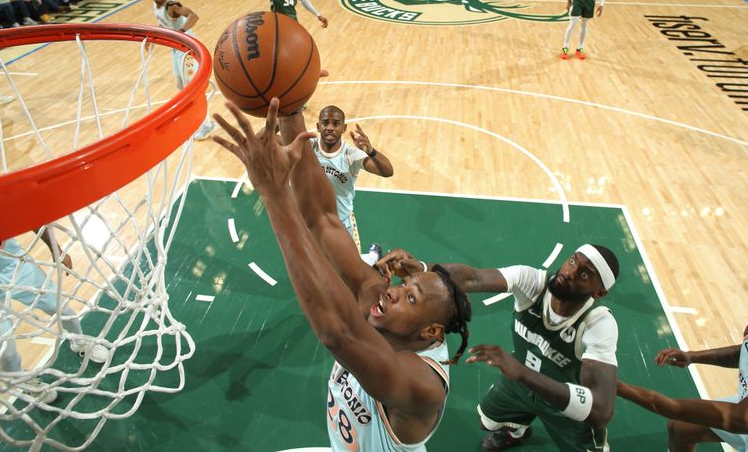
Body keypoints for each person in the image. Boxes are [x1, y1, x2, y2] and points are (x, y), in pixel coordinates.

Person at [211, 98, 472, 451]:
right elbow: (322, 217)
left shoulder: (422, 384)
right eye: (403, 284)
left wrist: (274, 193)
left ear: (431, 332)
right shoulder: (374, 291)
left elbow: (339, 333)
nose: (393, 291)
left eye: (411, 297)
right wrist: (290, 107)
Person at [377, 244, 620, 451]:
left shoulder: (598, 324)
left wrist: (522, 373)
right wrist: (421, 269)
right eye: (572, 261)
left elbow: (601, 409)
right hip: (521, 381)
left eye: (584, 275)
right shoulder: (533, 282)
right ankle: (517, 432)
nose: (569, 272)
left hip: (562, 400)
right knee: (487, 421)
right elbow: (473, 277)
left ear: (599, 292)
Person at [0, 141, 110, 402]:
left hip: (14, 266)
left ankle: (80, 341)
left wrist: (56, 249)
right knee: (4, 350)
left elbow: (32, 218)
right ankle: (21, 381)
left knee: (62, 308)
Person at [617, 326, 748, 451]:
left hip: (741, 415)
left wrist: (618, 387)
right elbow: (744, 350)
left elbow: (678, 409)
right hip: (741, 406)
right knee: (680, 429)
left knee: (682, 419)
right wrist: (692, 356)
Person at [313, 105, 393, 264]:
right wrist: (276, 122)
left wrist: (371, 151)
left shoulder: (351, 155)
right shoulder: (308, 146)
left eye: (335, 123)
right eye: (325, 123)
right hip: (314, 220)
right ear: (318, 126)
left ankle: (373, 255)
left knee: (353, 266)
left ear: (344, 128)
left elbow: (387, 171)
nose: (329, 127)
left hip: (342, 222)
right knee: (318, 265)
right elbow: (265, 140)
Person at [149, 0, 214, 141]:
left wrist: (182, 32)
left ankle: (206, 125)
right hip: (176, 48)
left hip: (187, 50)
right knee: (180, 85)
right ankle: (196, 117)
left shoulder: (172, 6)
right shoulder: (156, 6)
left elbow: (193, 16)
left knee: (191, 89)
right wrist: (152, 37)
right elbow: (164, 24)